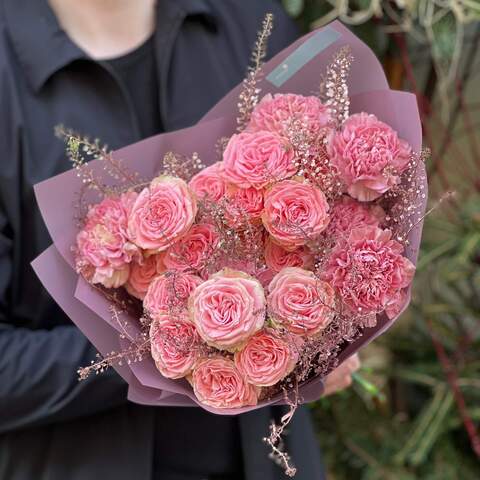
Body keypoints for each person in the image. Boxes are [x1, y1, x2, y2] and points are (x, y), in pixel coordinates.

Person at [0, 1, 360, 479]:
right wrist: (172, 346)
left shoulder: (248, 21)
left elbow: (335, 219)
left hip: (264, 459)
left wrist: (327, 328)